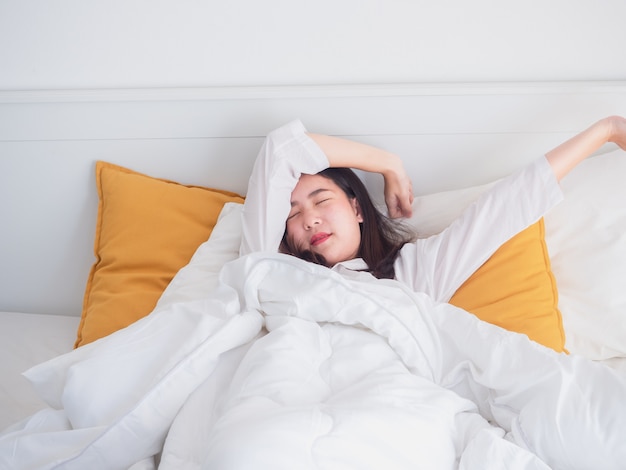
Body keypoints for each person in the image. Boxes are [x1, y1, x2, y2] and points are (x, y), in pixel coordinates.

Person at [241, 115, 626, 304]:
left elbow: (504, 207)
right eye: (292, 214)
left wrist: (606, 129)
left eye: (322, 200)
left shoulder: (412, 273)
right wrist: (386, 163)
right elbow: (281, 150)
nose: (310, 218)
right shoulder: (268, 268)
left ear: (358, 209)